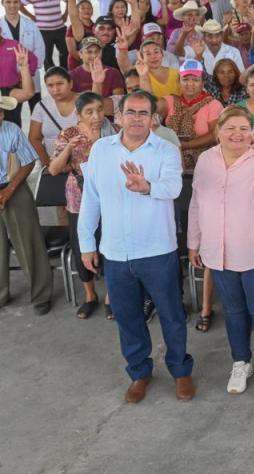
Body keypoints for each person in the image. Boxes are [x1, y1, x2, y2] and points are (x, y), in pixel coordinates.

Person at [77, 90, 194, 403]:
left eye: (144, 113)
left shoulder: (166, 150)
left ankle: (180, 371)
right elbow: (91, 199)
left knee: (171, 315)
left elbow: (173, 187)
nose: (137, 118)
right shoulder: (101, 150)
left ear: (153, 118)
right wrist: (87, 243)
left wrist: (147, 187)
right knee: (128, 318)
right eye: (131, 112)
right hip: (115, 252)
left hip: (157, 250)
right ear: (118, 117)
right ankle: (139, 372)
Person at [188, 106, 254, 398]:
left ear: (252, 131)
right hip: (217, 251)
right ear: (217, 131)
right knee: (233, 311)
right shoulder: (206, 160)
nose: (237, 134)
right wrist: (193, 242)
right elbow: (197, 202)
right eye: (230, 128)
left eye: (243, 128)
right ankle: (241, 361)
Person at [162, 59, 224, 332]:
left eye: (195, 79)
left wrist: (182, 144)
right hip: (170, 173)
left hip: (200, 172)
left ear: (202, 81)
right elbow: (148, 111)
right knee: (173, 236)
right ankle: (175, 297)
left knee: (202, 233)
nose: (190, 84)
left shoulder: (213, 104)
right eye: (185, 79)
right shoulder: (170, 101)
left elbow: (214, 135)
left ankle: (206, 306)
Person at [48, 92, 116, 319]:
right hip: (79, 199)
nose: (96, 116)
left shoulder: (113, 130)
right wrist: (69, 148)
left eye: (99, 109)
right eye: (89, 112)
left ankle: (110, 296)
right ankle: (90, 295)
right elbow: (54, 169)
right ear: (78, 114)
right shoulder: (69, 134)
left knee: (109, 246)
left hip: (109, 198)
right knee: (81, 247)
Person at [0, 94, 51, 315]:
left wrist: (9, 190)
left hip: (15, 186)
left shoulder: (11, 130)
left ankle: (41, 296)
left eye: (0, 112)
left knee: (28, 241)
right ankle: (1, 295)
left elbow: (29, 161)